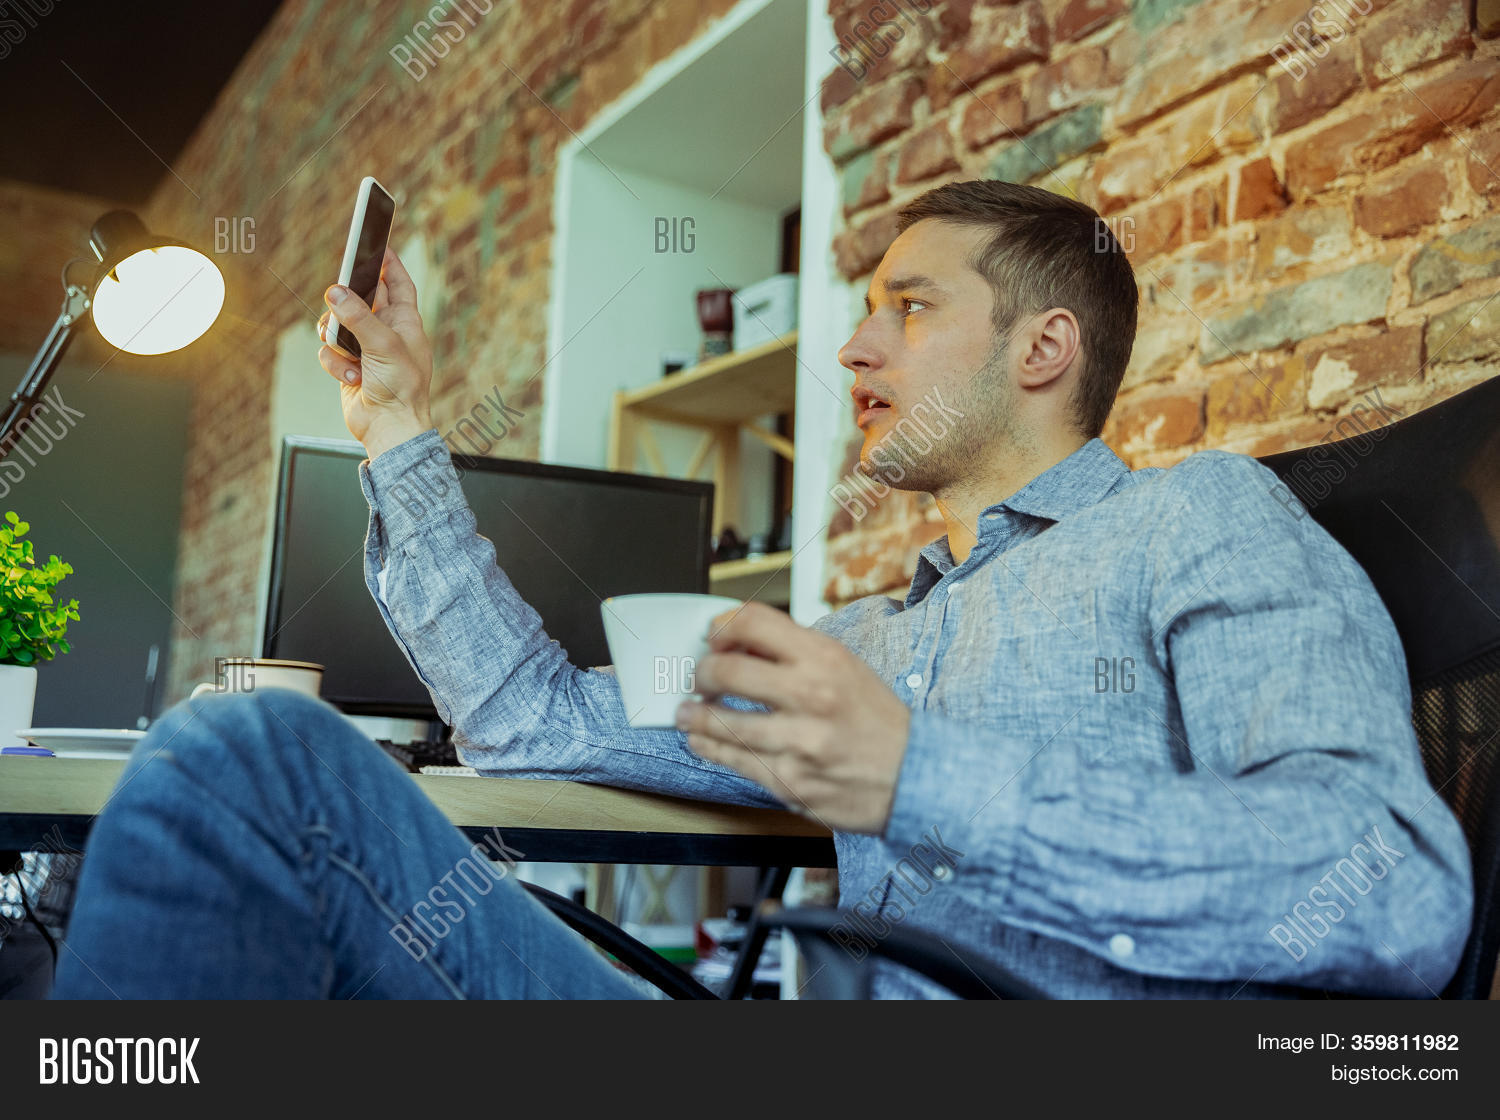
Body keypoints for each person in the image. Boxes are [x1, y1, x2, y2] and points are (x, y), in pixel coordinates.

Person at [53, 180, 1471, 999]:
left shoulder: (1195, 519)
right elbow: (532, 722)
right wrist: (398, 429)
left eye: (910, 307)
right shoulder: (869, 642)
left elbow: (1395, 889)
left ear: (1044, 349)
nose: (854, 350)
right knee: (255, 761)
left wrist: (921, 778)